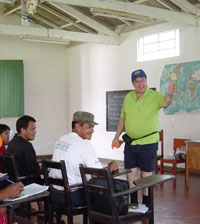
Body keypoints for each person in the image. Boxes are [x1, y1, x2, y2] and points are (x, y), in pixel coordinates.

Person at [112, 69, 175, 207]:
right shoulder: (128, 97)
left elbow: (166, 102)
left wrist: (170, 95)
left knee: (146, 176)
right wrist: (116, 137)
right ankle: (133, 202)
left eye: (143, 80)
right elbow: (123, 118)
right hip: (130, 143)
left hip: (148, 143)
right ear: (133, 83)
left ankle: (146, 202)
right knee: (130, 174)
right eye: (137, 81)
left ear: (146, 80)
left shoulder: (155, 96)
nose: (141, 84)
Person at [50, 111, 118, 207]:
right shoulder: (83, 144)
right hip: (73, 196)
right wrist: (112, 165)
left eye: (93, 127)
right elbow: (99, 174)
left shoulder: (60, 139)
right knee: (103, 193)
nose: (92, 130)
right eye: (89, 127)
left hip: (55, 194)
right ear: (78, 126)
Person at [5, 115, 44, 217]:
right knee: (48, 182)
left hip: (13, 181)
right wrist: (42, 167)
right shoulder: (26, 146)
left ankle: (41, 209)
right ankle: (44, 213)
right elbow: (33, 169)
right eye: (32, 129)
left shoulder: (13, 142)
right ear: (22, 130)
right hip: (25, 182)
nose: (35, 131)